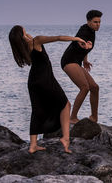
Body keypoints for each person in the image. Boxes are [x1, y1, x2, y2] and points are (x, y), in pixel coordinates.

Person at [9, 25, 88, 153]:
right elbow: (58, 38)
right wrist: (76, 39)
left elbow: (28, 45)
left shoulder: (22, 47)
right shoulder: (37, 40)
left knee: (37, 110)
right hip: (46, 79)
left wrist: (25, 37)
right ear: (23, 33)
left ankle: (33, 145)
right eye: (24, 29)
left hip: (33, 81)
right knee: (65, 104)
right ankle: (65, 139)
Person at [61, 10, 102, 124]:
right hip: (69, 60)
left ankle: (94, 117)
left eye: (99, 22)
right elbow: (80, 41)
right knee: (85, 87)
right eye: (95, 22)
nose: (98, 24)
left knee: (94, 87)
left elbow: (86, 47)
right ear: (88, 22)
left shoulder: (92, 31)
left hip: (77, 61)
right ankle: (72, 117)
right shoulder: (84, 30)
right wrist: (83, 44)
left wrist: (85, 60)